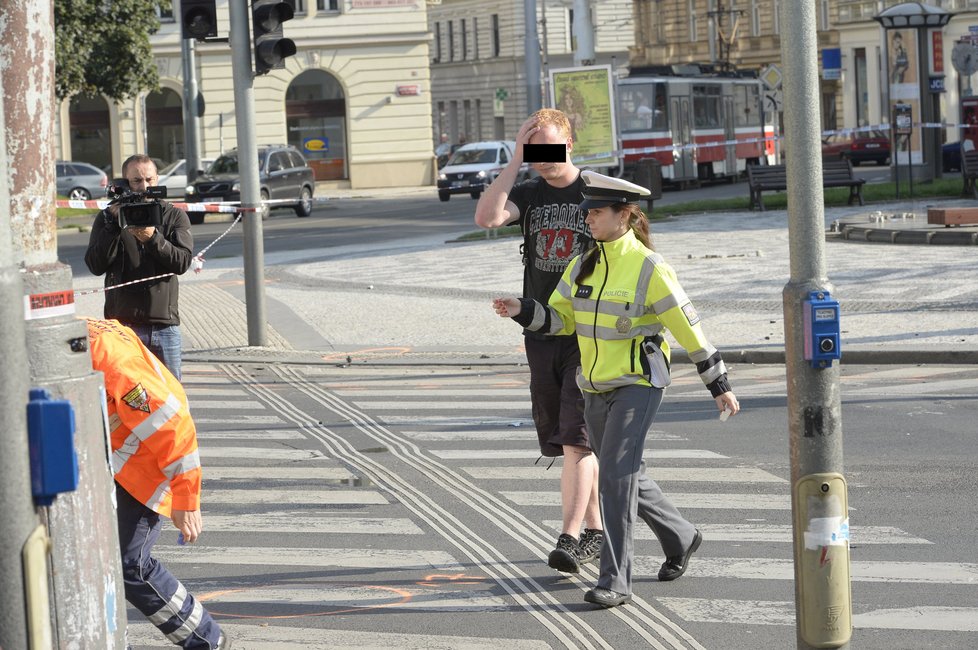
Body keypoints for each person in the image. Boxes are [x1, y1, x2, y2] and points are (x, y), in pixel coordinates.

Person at [492, 170, 740, 608]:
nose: (586, 218)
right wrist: (522, 309)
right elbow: (561, 319)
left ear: (624, 215)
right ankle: (682, 537)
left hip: (638, 383)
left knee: (614, 479)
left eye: (596, 211)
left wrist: (717, 382)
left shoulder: (649, 267)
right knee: (626, 474)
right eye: (586, 210)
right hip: (593, 384)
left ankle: (616, 581)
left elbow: (689, 328)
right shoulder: (583, 261)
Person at [474, 109, 603, 574]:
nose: (544, 159)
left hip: (589, 333)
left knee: (577, 440)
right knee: (563, 437)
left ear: (569, 142)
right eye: (535, 151)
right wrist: (513, 162)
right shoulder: (527, 193)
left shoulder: (597, 190)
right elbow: (487, 217)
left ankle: (569, 539)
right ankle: (596, 533)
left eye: (550, 148)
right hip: (540, 330)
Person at [85, 318, 229, 649]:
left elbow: (173, 424)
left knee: (130, 565)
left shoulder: (107, 359)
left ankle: (205, 640)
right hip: (118, 464)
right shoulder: (78, 336)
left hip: (141, 469)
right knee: (97, 561)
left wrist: (186, 498)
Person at [85, 154, 193, 380]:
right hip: (123, 328)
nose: (144, 186)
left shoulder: (174, 215)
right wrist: (113, 226)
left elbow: (182, 262)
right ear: (123, 183)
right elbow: (95, 265)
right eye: (136, 181)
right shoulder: (108, 218)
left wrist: (153, 239)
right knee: (128, 401)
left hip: (164, 326)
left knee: (171, 400)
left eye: (149, 180)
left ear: (157, 179)